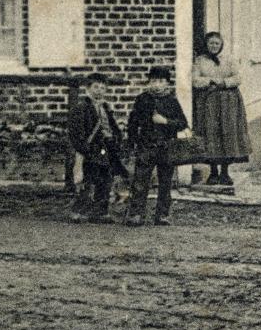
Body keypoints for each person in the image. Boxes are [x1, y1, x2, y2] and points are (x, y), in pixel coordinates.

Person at [127, 66, 190, 227]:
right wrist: (132, 142)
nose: (157, 84)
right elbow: (133, 123)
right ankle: (136, 214)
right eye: (154, 81)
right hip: (146, 145)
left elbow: (183, 123)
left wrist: (166, 122)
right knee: (140, 181)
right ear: (149, 82)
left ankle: (162, 214)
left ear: (167, 83)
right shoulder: (143, 99)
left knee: (165, 182)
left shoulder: (171, 101)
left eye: (161, 81)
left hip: (166, 146)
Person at [189, 31, 250, 188]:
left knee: (227, 134)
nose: (214, 46)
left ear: (221, 45)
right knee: (211, 134)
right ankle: (213, 172)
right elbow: (195, 80)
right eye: (211, 43)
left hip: (228, 102)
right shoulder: (200, 60)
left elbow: (238, 78)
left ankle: (225, 172)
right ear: (206, 44)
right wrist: (210, 81)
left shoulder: (229, 59)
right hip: (208, 102)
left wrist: (223, 83)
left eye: (217, 43)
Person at [68, 74, 124, 223]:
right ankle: (78, 211)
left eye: (102, 88)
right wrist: (84, 148)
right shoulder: (81, 108)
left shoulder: (105, 107)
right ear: (87, 88)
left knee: (105, 180)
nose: (99, 91)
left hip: (106, 148)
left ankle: (100, 212)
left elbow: (113, 127)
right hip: (90, 149)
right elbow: (76, 132)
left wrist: (117, 139)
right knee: (87, 180)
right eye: (95, 87)